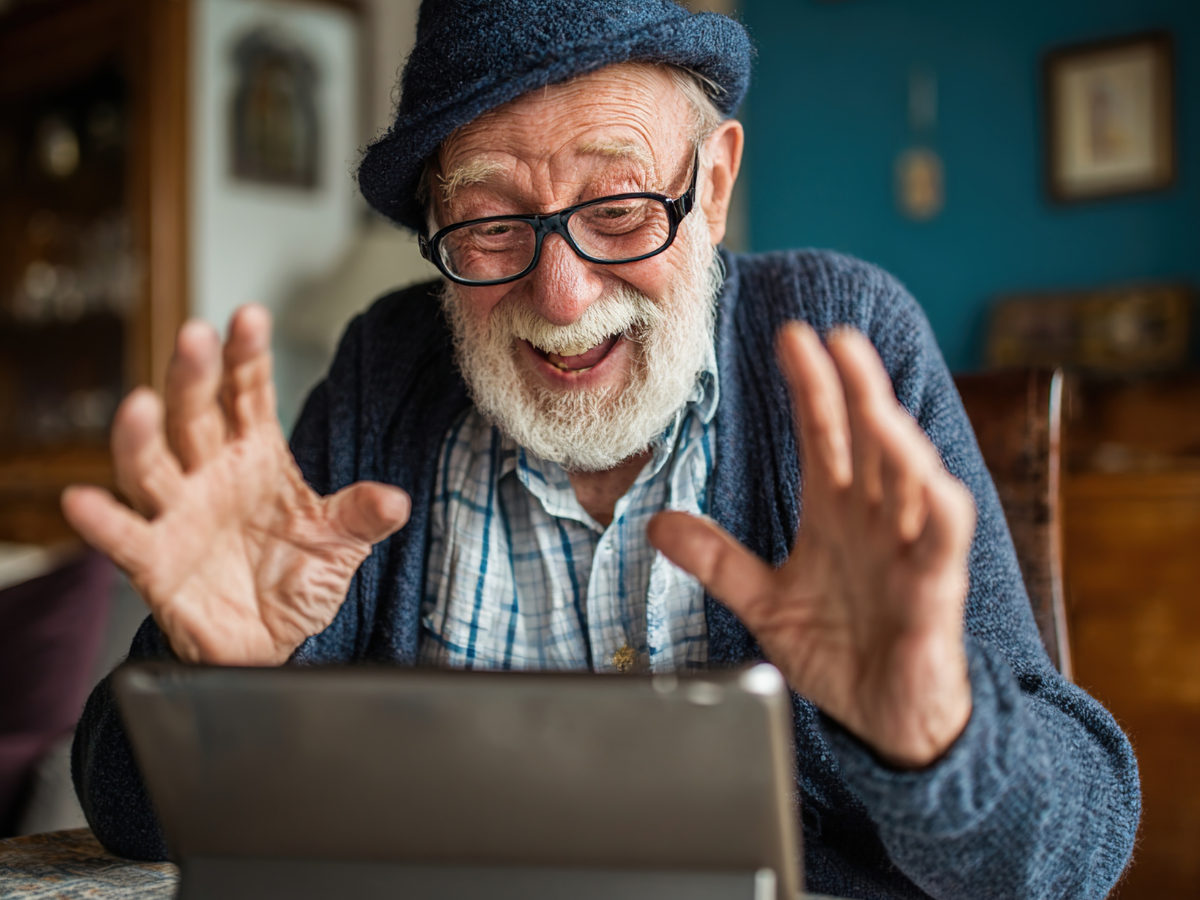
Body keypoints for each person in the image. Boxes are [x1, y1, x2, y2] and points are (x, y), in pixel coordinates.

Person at [66, 1, 1139, 896]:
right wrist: (212, 679)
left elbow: (1079, 848)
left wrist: (935, 731)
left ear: (711, 185)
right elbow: (124, 814)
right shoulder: (382, 371)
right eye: (490, 223)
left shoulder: (846, 338)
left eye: (621, 210)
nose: (560, 293)